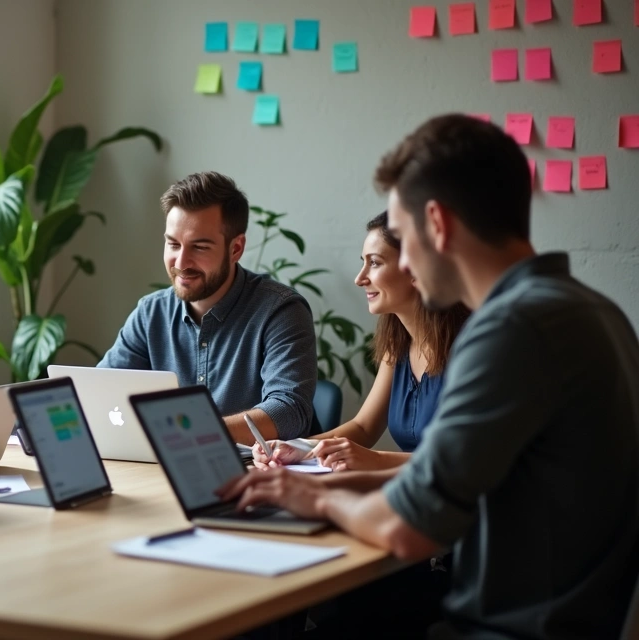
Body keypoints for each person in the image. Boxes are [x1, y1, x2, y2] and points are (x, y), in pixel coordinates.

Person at [220, 114, 639, 639]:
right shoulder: (592, 312)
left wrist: (315, 497)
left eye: (404, 237)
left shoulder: (510, 330)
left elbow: (407, 528)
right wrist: (305, 480)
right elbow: (446, 480)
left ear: (437, 224)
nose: (407, 265)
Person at [98, 171, 317, 444]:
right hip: (167, 468)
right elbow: (100, 391)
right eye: (173, 244)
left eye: (199, 247)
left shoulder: (280, 311)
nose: (181, 261)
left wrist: (189, 433)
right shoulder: (150, 313)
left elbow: (289, 411)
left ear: (236, 248)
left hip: (260, 475)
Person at [254, 213, 469, 472]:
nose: (360, 278)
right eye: (363, 263)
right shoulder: (398, 343)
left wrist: (375, 459)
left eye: (375, 263)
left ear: (416, 267)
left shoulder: (471, 347)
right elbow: (364, 427)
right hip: (411, 494)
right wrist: (298, 448)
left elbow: (466, 459)